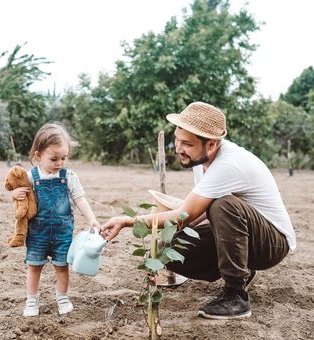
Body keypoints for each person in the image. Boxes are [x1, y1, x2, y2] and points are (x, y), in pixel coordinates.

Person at [101, 101, 296, 320]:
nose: (177, 148)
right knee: (168, 246)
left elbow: (187, 215)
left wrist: (128, 221)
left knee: (225, 205)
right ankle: (242, 270)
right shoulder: (201, 162)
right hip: (247, 236)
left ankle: (236, 295)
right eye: (176, 139)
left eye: (186, 144)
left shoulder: (228, 164)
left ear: (211, 144)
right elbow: (196, 213)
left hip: (272, 243)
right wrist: (170, 234)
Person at [12, 123, 100, 317]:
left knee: (62, 267)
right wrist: (16, 193)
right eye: (53, 159)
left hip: (62, 233)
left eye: (64, 158)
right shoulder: (30, 177)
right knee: (34, 267)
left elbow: (79, 199)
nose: (59, 163)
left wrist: (92, 218)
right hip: (37, 232)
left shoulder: (69, 176)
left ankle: (62, 297)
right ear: (38, 155)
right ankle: (31, 301)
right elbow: (21, 199)